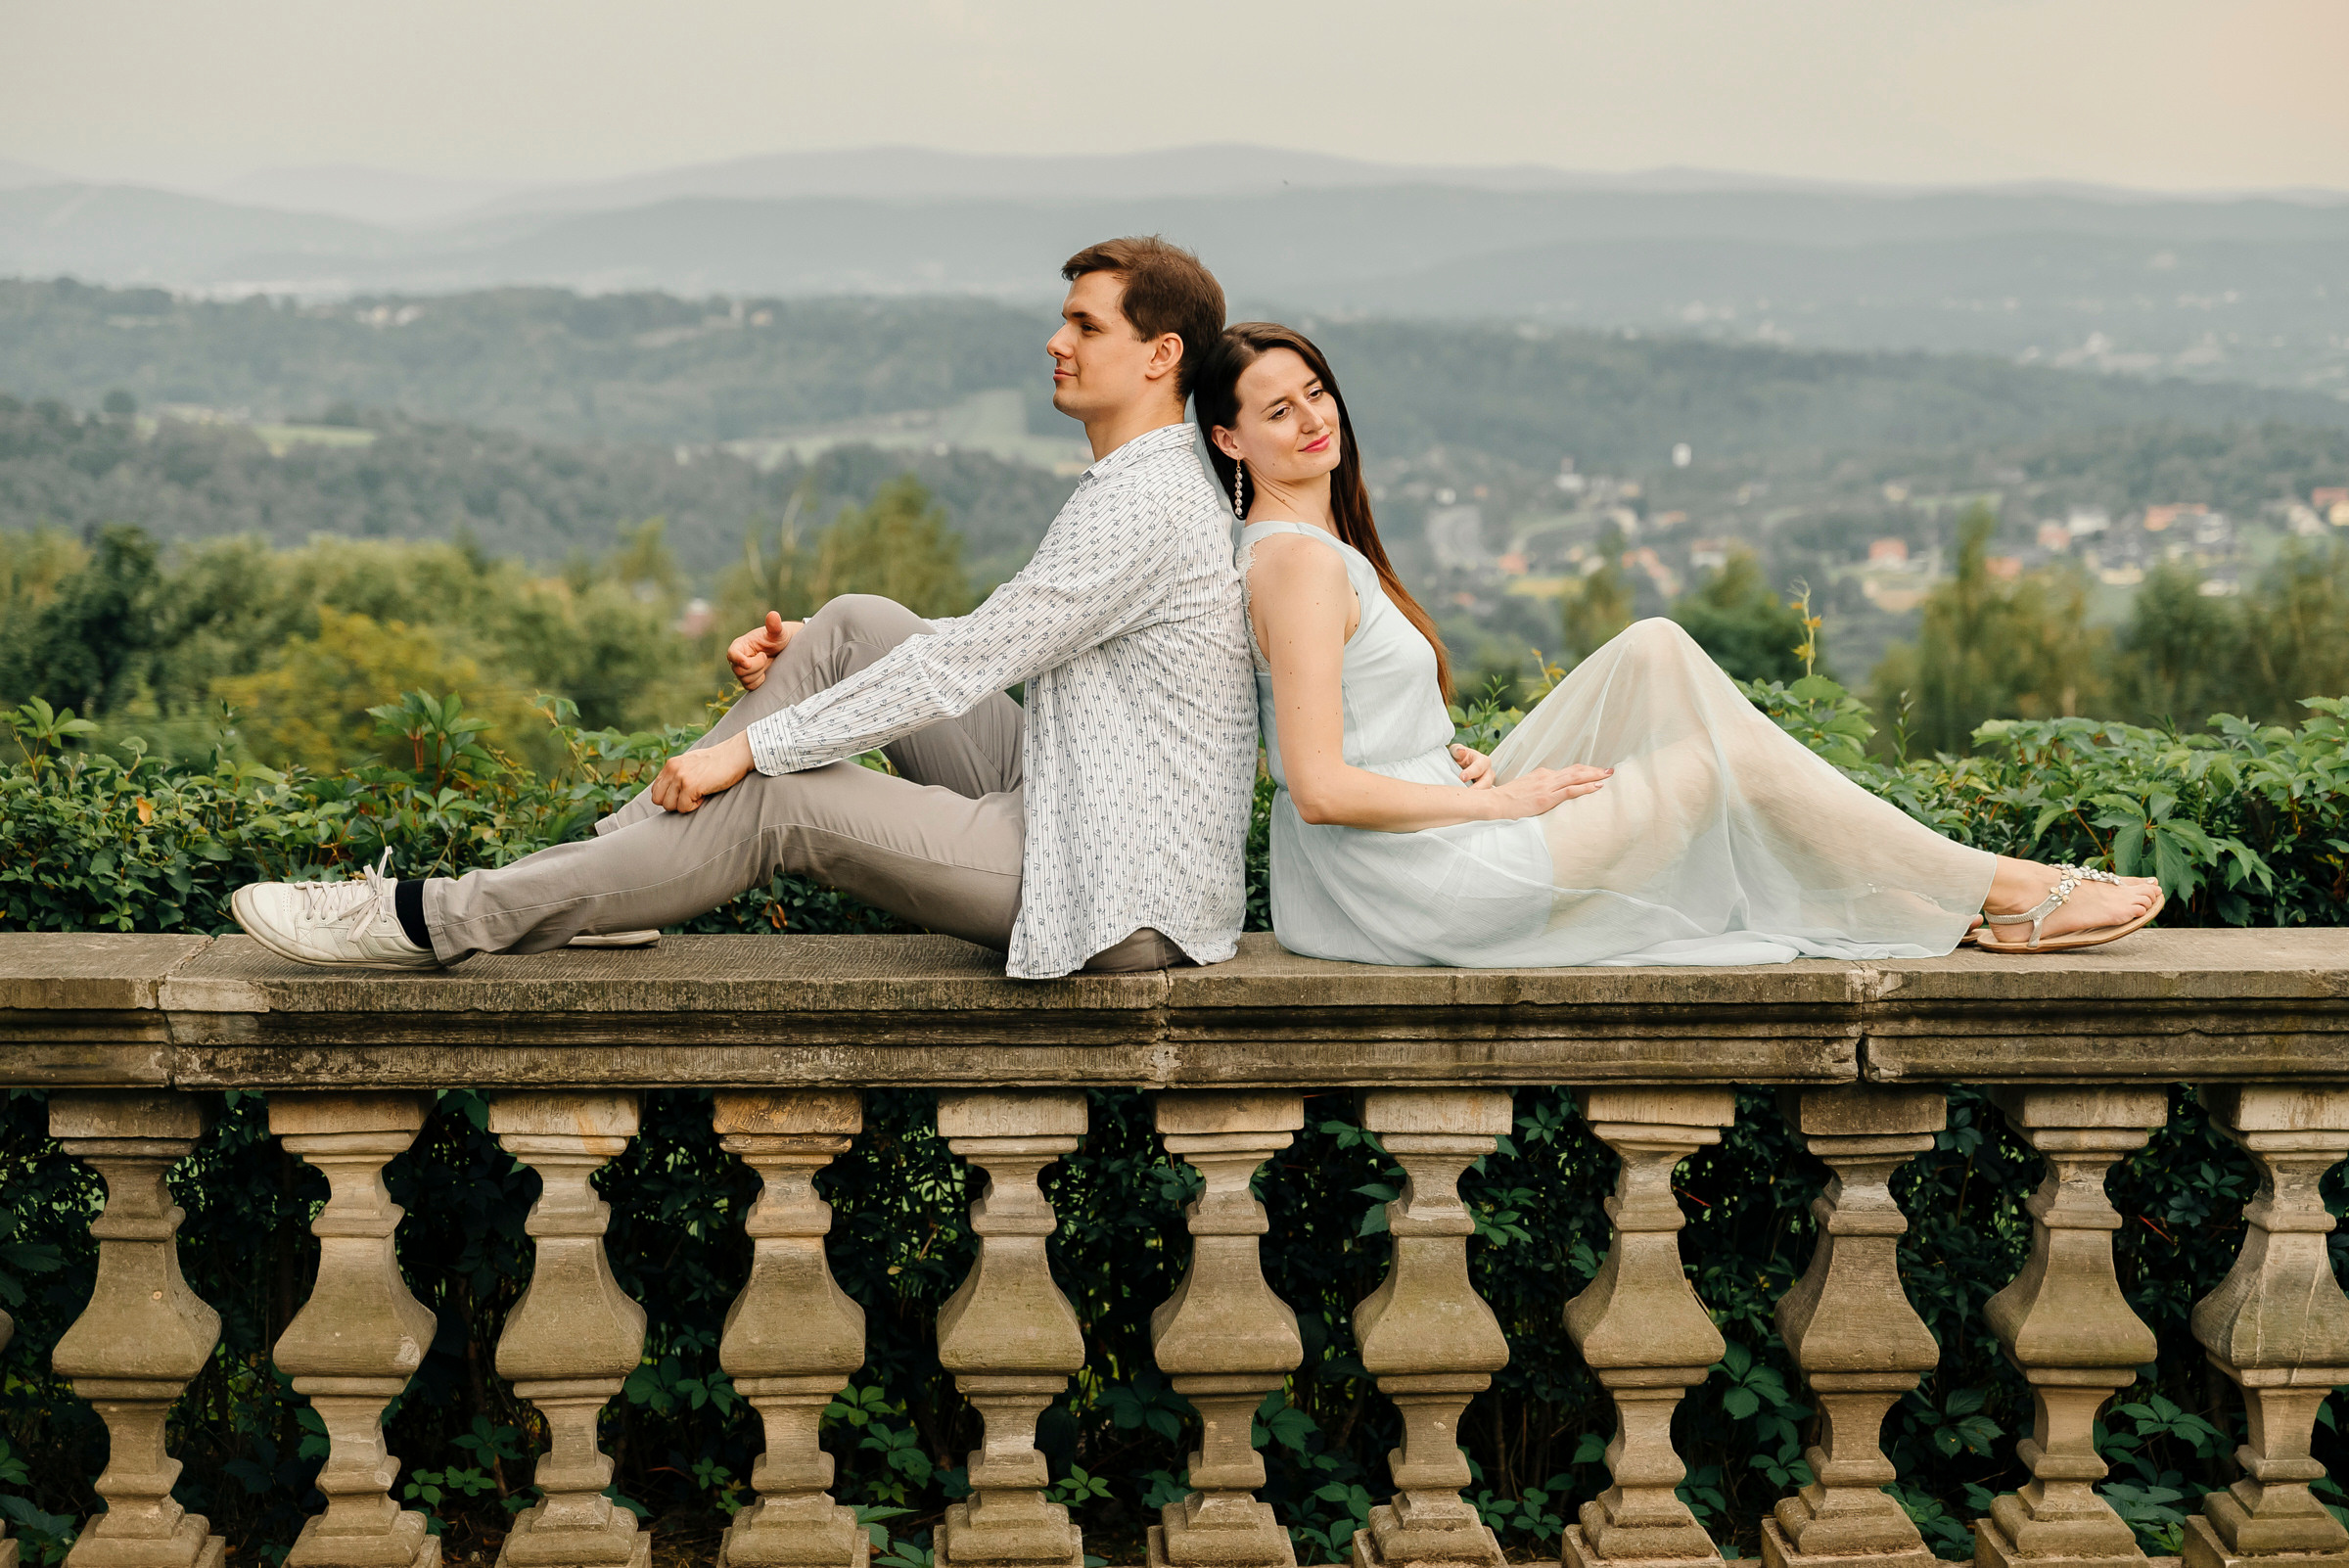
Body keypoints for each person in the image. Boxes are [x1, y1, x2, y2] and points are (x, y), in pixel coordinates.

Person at [232, 237, 1258, 979]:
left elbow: (964, 664)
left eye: (1085, 324)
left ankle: (439, 919)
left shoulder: (1146, 505)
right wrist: (822, 661)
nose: (1054, 340)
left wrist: (750, 752)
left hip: (1117, 889)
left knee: (780, 797)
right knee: (854, 623)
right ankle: (610, 876)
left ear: (1161, 355)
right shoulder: (1148, 481)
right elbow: (957, 650)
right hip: (1082, 799)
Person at [1195, 321, 2164, 968]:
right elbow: (1318, 788)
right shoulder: (1298, 565)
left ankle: (1990, 890)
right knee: (1709, 764)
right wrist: (1507, 800)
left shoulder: (1313, 550)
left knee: (1655, 645)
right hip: (1418, 882)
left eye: (1315, 392)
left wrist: (1439, 758)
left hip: (1431, 828)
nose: (1314, 419)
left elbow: (1350, 725)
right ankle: (2007, 893)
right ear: (1232, 442)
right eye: (1278, 411)